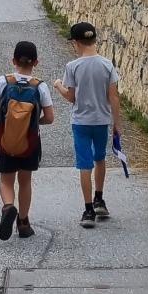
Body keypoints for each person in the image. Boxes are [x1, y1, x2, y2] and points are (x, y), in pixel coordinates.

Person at [0, 42, 55, 240]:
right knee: (25, 181)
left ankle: (7, 207)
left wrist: (3, 116)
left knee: (6, 180)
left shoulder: (4, 81)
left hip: (7, 140)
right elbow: (49, 118)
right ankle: (23, 222)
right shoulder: (40, 86)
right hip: (30, 142)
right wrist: (33, 122)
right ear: (36, 62)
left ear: (13, 61)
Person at [53, 22, 122, 228]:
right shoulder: (107, 64)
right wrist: (116, 124)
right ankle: (99, 198)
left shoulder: (72, 67)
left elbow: (71, 97)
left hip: (81, 122)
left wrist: (58, 86)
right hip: (101, 121)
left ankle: (88, 209)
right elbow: (114, 97)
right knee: (100, 159)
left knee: (85, 164)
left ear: (76, 43)